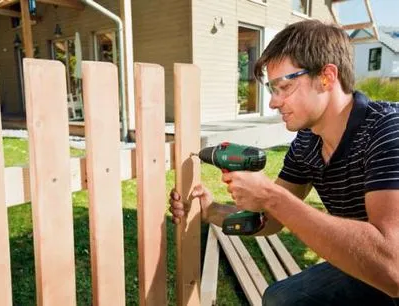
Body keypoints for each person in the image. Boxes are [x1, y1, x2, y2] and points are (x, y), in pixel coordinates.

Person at [169, 19, 399, 306]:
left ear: (326, 77)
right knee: (281, 299)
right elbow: (273, 220)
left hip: (391, 268)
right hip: (369, 261)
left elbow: (393, 268)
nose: (273, 103)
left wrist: (270, 196)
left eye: (284, 87)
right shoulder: (307, 141)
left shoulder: (388, 130)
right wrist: (211, 210)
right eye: (271, 89)